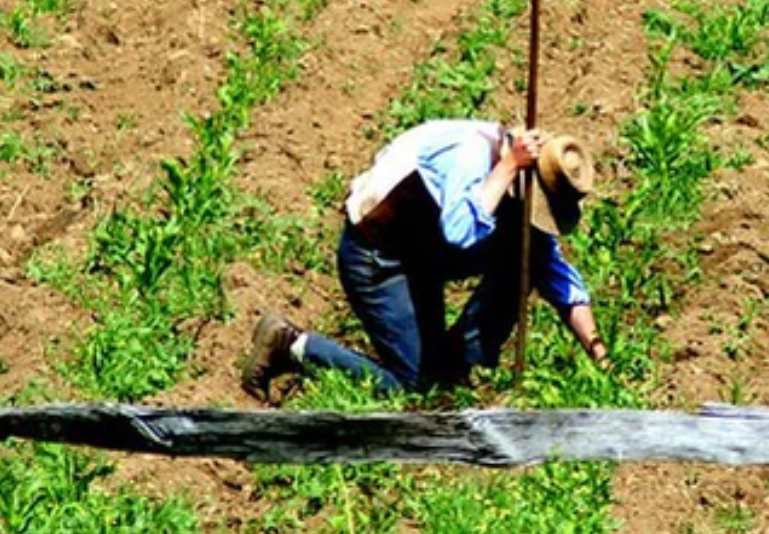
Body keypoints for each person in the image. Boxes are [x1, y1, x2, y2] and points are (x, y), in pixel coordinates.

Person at [240, 119, 608, 400]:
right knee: (411, 386)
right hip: (377, 260)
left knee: (528, 258)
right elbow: (459, 231)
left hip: (423, 259)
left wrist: (600, 356)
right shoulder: (470, 157)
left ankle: (459, 366)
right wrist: (507, 167)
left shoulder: (514, 178)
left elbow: (560, 280)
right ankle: (289, 343)